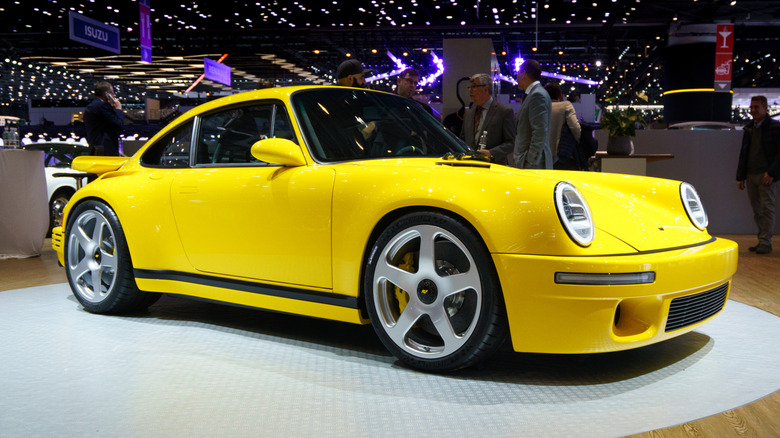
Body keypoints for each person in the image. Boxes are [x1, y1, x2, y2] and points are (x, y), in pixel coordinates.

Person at [736, 95, 780, 254]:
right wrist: (741, 177)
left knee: (766, 208)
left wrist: (772, 173)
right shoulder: (749, 128)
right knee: (757, 210)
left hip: (766, 175)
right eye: (752, 107)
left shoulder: (775, 127)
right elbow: (744, 154)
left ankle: (765, 242)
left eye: (757, 107)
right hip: (751, 174)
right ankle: (762, 239)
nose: (753, 110)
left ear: (765, 108)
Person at [458, 73, 516, 165]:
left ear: (486, 88)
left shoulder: (504, 112)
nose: (470, 90)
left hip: (494, 167)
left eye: (474, 87)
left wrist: (491, 153)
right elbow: (462, 139)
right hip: (469, 167)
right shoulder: (468, 113)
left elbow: (511, 143)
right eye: (470, 87)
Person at [511, 59, 552, 169]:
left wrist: (530, 161)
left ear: (524, 73)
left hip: (535, 165)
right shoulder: (535, 94)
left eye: (518, 74)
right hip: (532, 162)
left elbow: (540, 131)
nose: (517, 78)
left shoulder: (537, 95)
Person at [545, 83, 581, 170]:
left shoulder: (539, 108)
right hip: (561, 154)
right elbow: (575, 129)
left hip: (542, 156)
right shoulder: (565, 106)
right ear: (560, 95)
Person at [84, 81, 124, 156]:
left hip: (95, 149)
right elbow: (119, 124)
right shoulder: (103, 106)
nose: (113, 96)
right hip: (106, 151)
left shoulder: (90, 106)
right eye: (112, 93)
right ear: (107, 94)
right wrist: (118, 109)